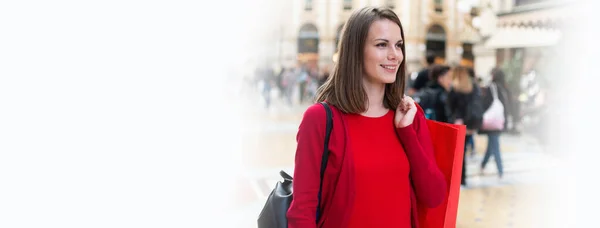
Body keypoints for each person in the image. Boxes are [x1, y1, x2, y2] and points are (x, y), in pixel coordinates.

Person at [287, 7, 447, 228]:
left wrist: (407, 133)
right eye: (382, 44)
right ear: (355, 50)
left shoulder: (410, 114)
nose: (395, 55)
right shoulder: (320, 119)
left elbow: (434, 196)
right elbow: (301, 211)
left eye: (398, 45)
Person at [448, 66, 483, 187]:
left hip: (458, 123)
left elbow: (451, 107)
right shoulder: (472, 86)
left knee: (458, 153)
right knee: (463, 151)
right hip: (470, 123)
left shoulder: (454, 87)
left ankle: (459, 178)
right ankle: (463, 178)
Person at [479, 68, 512, 179]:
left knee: (493, 145)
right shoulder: (505, 88)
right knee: (493, 144)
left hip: (492, 121)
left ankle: (498, 169)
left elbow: (485, 103)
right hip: (499, 121)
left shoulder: (491, 88)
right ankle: (496, 168)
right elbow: (507, 107)